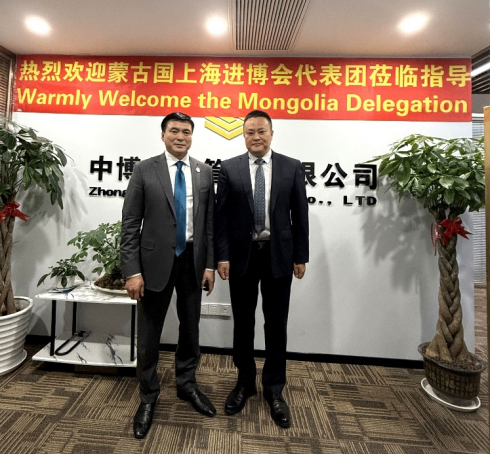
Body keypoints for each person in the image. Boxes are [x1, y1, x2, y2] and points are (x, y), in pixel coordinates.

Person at [121, 112, 216, 440]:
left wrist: (209, 265)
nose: (180, 137)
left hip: (192, 261)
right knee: (149, 334)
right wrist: (132, 271)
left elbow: (209, 224)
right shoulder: (144, 169)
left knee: (190, 329)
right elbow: (130, 223)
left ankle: (187, 385)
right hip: (153, 265)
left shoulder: (204, 172)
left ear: (192, 136)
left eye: (186, 132)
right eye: (174, 131)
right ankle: (148, 396)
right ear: (163, 135)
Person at [214, 110, 309, 428]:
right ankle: (244, 383)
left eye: (261, 131)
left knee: (276, 324)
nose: (256, 137)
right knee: (243, 324)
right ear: (243, 135)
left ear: (271, 133)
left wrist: (301, 256)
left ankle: (274, 388)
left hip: (278, 255)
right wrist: (222, 257)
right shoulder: (229, 168)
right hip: (241, 257)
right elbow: (221, 218)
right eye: (250, 132)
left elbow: (299, 214)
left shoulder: (291, 167)